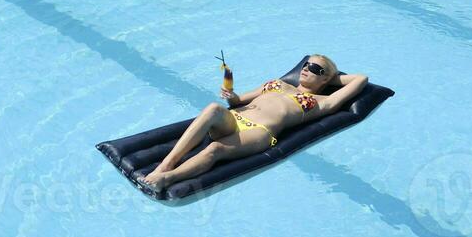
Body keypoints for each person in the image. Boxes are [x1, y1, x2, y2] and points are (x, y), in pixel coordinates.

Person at [141, 55, 368, 190]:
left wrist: (333, 77)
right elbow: (239, 100)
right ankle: (165, 165)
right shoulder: (276, 84)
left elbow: (361, 79)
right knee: (212, 109)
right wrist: (231, 96)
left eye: (316, 69)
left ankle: (167, 179)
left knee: (216, 149)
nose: (307, 69)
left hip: (259, 133)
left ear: (326, 78)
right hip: (236, 118)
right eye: (306, 65)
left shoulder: (320, 102)